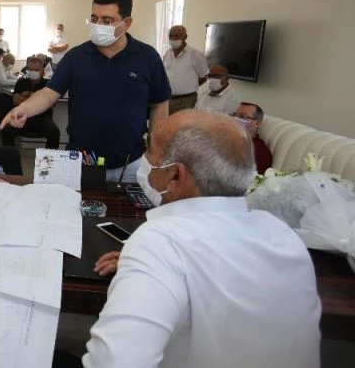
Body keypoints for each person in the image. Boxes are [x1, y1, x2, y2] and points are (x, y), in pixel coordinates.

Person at [85, 110, 320, 368]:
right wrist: (148, 269)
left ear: (175, 176)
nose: (144, 160)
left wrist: (149, 258)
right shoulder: (284, 236)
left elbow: (114, 361)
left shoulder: (160, 244)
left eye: (149, 151)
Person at [1, 0, 171, 183]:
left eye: (107, 21)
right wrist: (24, 108)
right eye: (94, 19)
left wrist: (156, 148)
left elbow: (160, 103)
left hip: (131, 163)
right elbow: (49, 93)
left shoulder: (147, 57)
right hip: (80, 160)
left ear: (127, 23)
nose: (98, 26)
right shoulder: (76, 57)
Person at [1, 57, 60, 149]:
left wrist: (27, 95)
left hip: (42, 117)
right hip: (22, 117)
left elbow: (52, 103)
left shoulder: (48, 84)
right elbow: (15, 101)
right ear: (27, 69)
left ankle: (48, 158)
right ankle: (11, 156)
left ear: (42, 70)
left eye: (36, 70)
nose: (33, 72)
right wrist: (39, 99)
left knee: (55, 133)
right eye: (31, 69)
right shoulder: (21, 81)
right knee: (6, 130)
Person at [163, 25, 208, 114]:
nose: (173, 39)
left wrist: (187, 87)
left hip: (186, 100)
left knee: (182, 123)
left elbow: (204, 77)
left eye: (177, 36)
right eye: (170, 36)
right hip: (167, 99)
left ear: (185, 37)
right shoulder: (167, 54)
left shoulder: (196, 55)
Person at [232, 102, 273, 174]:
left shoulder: (259, 151)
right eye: (234, 115)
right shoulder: (229, 139)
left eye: (242, 116)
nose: (235, 119)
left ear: (255, 123)